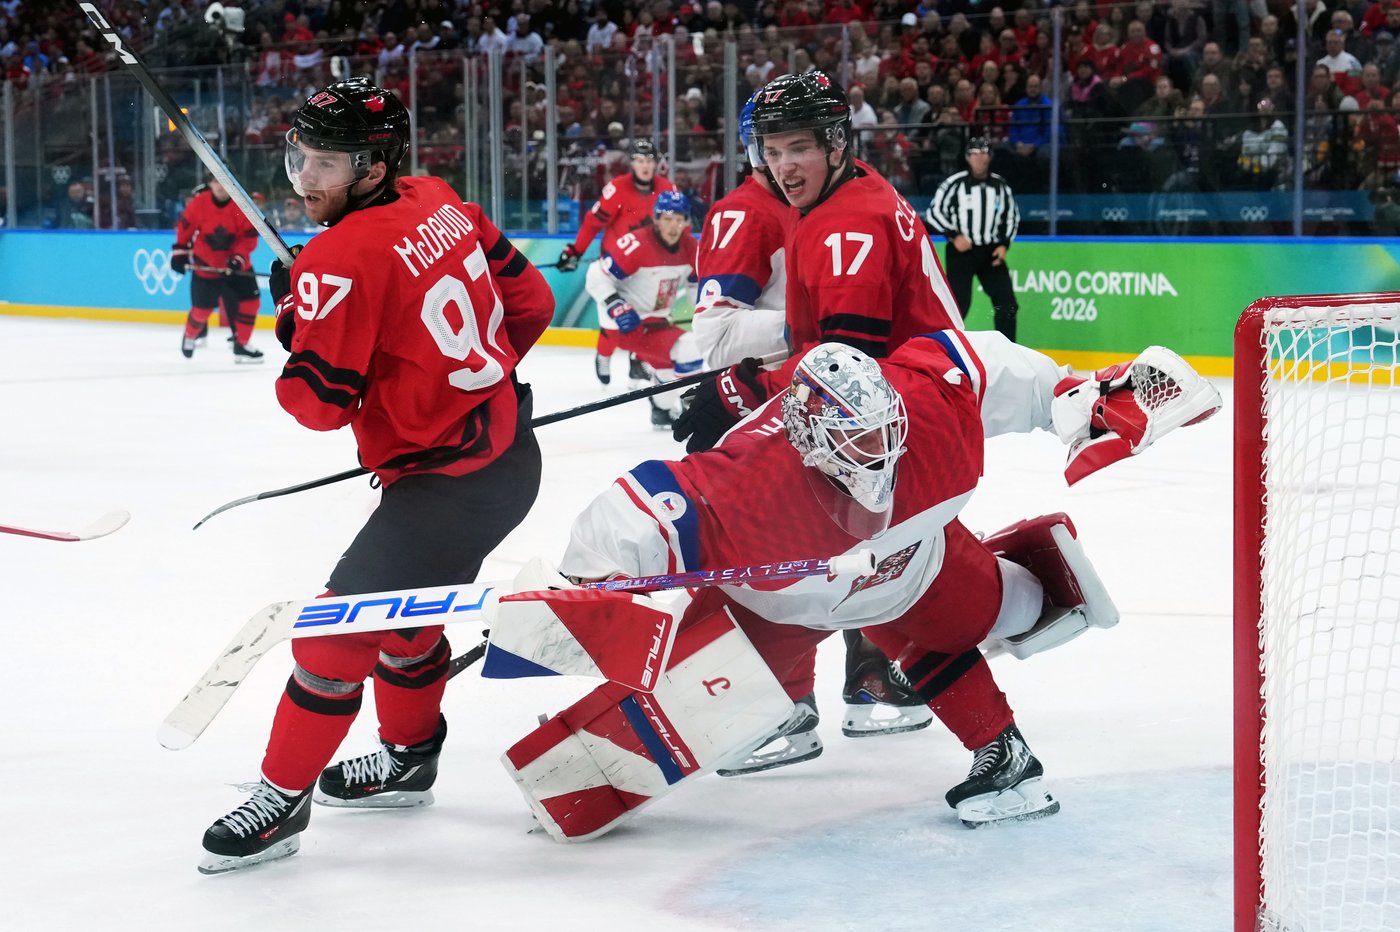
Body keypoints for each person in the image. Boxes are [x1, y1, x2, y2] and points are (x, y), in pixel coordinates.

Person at [499, 333, 1222, 841]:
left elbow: (987, 365)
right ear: (805, 435)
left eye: (884, 435)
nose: (879, 457)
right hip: (783, 605)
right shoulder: (749, 484)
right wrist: (589, 590)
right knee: (651, 727)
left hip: (914, 566)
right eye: (855, 444)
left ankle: (1005, 749)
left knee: (993, 612)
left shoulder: (926, 410)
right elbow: (626, 516)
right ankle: (776, 710)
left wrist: (1080, 396)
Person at [197, 77, 554, 875]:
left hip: (447, 486)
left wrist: (299, 322)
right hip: (505, 456)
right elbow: (527, 300)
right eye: (303, 159)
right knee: (407, 619)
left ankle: (279, 801)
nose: (310, 180)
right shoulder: (440, 199)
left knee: (334, 634)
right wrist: (470, 388)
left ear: (374, 165)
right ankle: (409, 755)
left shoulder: (337, 258)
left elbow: (319, 405)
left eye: (330, 163)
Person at [674, 71, 971, 767]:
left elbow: (847, 362)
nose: (782, 164)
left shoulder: (846, 219)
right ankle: (871, 690)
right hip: (905, 409)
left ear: (836, 144)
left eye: (797, 147)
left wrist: (749, 385)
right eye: (771, 149)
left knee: (795, 549)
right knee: (866, 558)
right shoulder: (846, 194)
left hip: (890, 415)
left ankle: (795, 705)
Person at [557, 137, 677, 386]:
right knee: (614, 325)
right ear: (632, 163)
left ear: (656, 163)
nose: (645, 166)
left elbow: (677, 226)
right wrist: (575, 251)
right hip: (616, 269)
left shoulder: (667, 189)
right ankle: (604, 354)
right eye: (640, 160)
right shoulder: (617, 189)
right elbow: (593, 223)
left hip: (650, 270)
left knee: (652, 321)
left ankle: (637, 362)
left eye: (649, 160)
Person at [584, 190, 701, 430]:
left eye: (679, 219)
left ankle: (662, 408)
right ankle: (694, 410)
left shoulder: (691, 246)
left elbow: (694, 286)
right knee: (688, 349)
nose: (673, 225)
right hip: (626, 324)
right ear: (656, 219)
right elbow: (596, 275)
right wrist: (617, 305)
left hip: (657, 322)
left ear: (686, 221)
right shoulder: (637, 243)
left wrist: (706, 312)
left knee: (670, 365)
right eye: (667, 219)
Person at [925, 137, 1022, 342]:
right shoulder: (954, 184)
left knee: (1007, 304)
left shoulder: (1000, 186)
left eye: (985, 153)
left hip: (990, 251)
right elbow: (934, 212)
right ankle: (947, 351)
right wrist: (953, 234)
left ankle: (1009, 352)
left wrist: (1004, 244)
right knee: (957, 305)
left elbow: (1011, 216)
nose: (980, 158)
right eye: (975, 154)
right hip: (961, 252)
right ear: (968, 158)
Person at [171, 176, 263, 361]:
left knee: (251, 301)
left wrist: (237, 258)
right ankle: (190, 335)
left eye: (224, 182)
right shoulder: (200, 203)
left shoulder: (241, 204)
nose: (220, 187)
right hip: (207, 265)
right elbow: (185, 229)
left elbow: (248, 237)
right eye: (216, 182)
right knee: (202, 309)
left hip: (237, 265)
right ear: (210, 184)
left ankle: (242, 344)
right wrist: (180, 252)